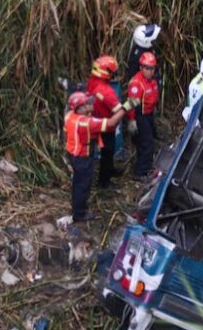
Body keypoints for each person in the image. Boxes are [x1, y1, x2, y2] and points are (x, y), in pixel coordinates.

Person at [64, 91, 128, 221]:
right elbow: (110, 123)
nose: (91, 104)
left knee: (78, 183)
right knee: (83, 185)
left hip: (72, 153)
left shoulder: (70, 115)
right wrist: (126, 107)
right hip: (82, 157)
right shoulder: (86, 123)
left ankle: (78, 209)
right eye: (87, 103)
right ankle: (79, 214)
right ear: (80, 108)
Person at [87, 55, 124, 189]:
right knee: (108, 152)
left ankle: (110, 169)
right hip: (107, 125)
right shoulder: (107, 91)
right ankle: (104, 181)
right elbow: (118, 110)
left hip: (95, 121)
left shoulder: (92, 82)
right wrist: (129, 106)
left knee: (105, 151)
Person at [127, 52, 160, 182]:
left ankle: (145, 167)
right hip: (139, 115)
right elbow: (131, 103)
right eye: (147, 68)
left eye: (152, 68)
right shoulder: (137, 83)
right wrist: (131, 119)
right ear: (141, 68)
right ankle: (139, 172)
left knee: (147, 142)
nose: (150, 71)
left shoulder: (152, 81)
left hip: (149, 113)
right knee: (147, 144)